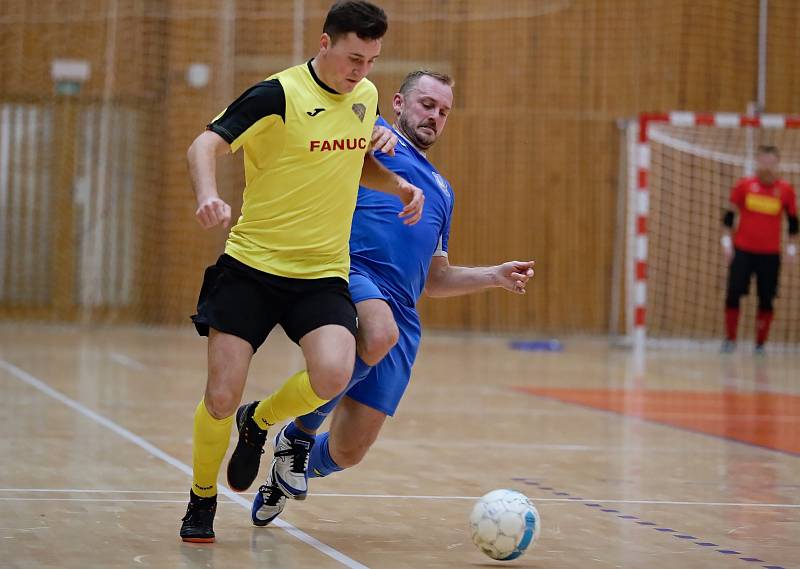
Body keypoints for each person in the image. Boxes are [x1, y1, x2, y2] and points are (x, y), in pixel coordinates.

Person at [242, 69, 536, 526]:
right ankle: (296, 437)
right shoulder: (373, 138)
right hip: (351, 273)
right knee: (377, 334)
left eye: (444, 111)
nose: (435, 117)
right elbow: (342, 110)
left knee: (349, 449)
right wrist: (368, 130)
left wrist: (493, 276)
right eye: (426, 104)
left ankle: (285, 473)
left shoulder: (443, 190)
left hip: (402, 310)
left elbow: (433, 279)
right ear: (398, 104)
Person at [180, 1, 425, 543]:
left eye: (372, 60)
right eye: (353, 57)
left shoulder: (363, 97)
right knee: (220, 395)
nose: (361, 71)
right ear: (325, 43)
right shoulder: (277, 94)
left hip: (320, 273)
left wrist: (399, 185)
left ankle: (261, 420)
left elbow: (357, 159)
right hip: (252, 268)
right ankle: (201, 499)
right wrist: (208, 195)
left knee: (334, 374)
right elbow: (205, 144)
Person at [721, 145, 798, 354]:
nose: (767, 168)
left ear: (777, 165)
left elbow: (793, 222)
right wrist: (726, 243)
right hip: (743, 250)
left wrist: (792, 248)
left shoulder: (785, 190)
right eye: (763, 162)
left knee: (766, 298)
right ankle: (730, 340)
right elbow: (729, 215)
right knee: (733, 293)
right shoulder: (744, 185)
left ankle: (760, 344)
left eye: (771, 163)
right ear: (757, 163)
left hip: (770, 254)